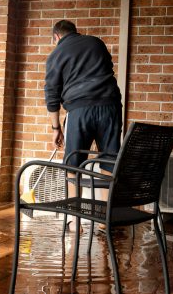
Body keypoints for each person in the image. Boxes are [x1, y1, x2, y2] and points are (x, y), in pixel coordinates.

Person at [44, 19, 122, 232]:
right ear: (74, 32)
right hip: (110, 107)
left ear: (57, 37)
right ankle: (105, 221)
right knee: (109, 162)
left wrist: (56, 129)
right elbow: (108, 68)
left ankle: (74, 221)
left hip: (79, 110)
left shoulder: (56, 55)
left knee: (73, 165)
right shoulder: (96, 43)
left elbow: (52, 94)